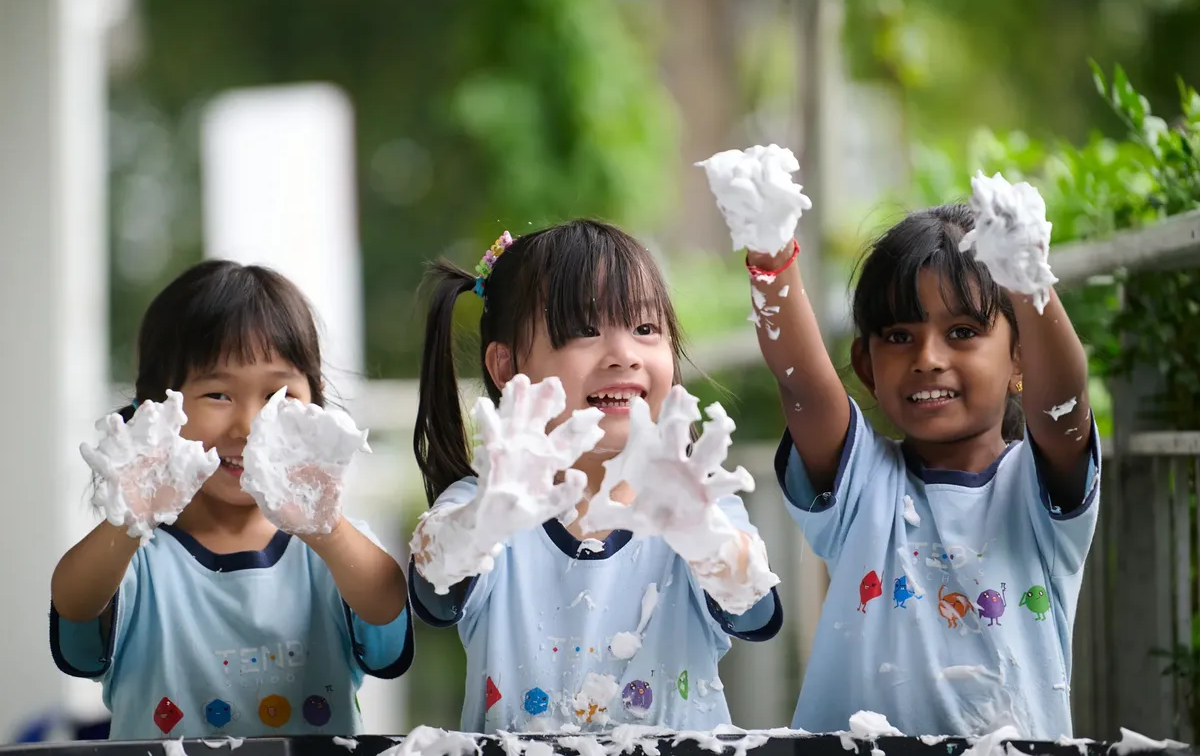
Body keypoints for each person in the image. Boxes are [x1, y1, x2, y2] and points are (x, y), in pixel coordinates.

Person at [408, 219, 783, 733]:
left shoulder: (698, 504)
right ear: (505, 367)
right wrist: (479, 524)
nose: (625, 354)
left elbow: (754, 609)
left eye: (646, 329)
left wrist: (702, 534)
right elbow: (434, 584)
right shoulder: (484, 504)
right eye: (586, 331)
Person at [750, 203, 1098, 738]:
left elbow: (1065, 405)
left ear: (1020, 360)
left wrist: (1029, 282)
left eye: (961, 332)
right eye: (898, 335)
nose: (928, 357)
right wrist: (771, 261)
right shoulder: (862, 482)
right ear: (866, 365)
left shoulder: (1038, 489)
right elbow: (805, 386)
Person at [50, 260, 412, 740]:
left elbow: (387, 615)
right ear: (156, 415)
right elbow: (73, 604)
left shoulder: (328, 546)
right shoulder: (137, 556)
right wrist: (128, 520)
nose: (248, 425)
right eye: (218, 394)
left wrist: (328, 532)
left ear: (316, 413)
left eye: (279, 394)